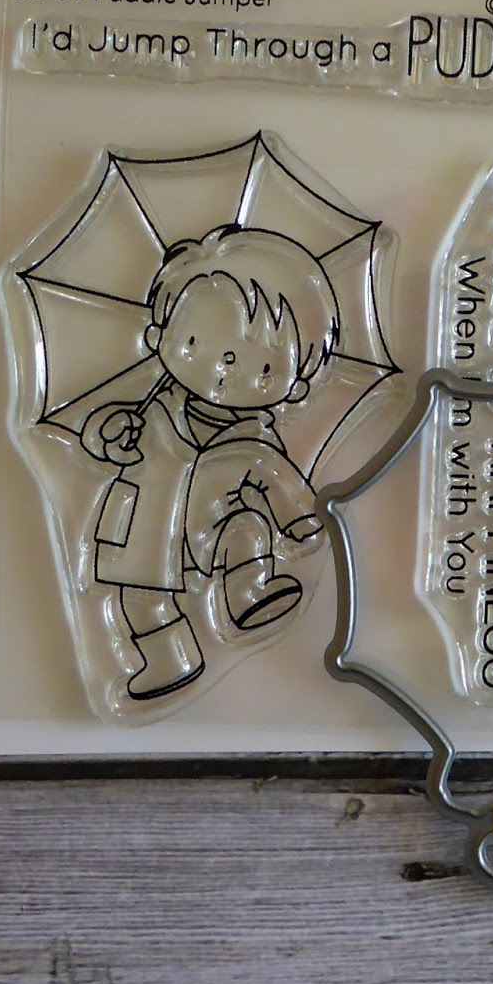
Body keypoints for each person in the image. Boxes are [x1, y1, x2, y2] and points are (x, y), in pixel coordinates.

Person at [78, 225, 338, 701]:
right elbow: (102, 437)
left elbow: (278, 481)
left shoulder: (255, 444)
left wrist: (300, 520)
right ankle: (168, 659)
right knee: (139, 601)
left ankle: (248, 593)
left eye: (263, 369)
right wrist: (112, 433)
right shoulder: (149, 416)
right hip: (145, 530)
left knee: (248, 532)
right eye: (197, 343)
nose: (224, 370)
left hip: (217, 526)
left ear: (297, 385)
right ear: (158, 336)